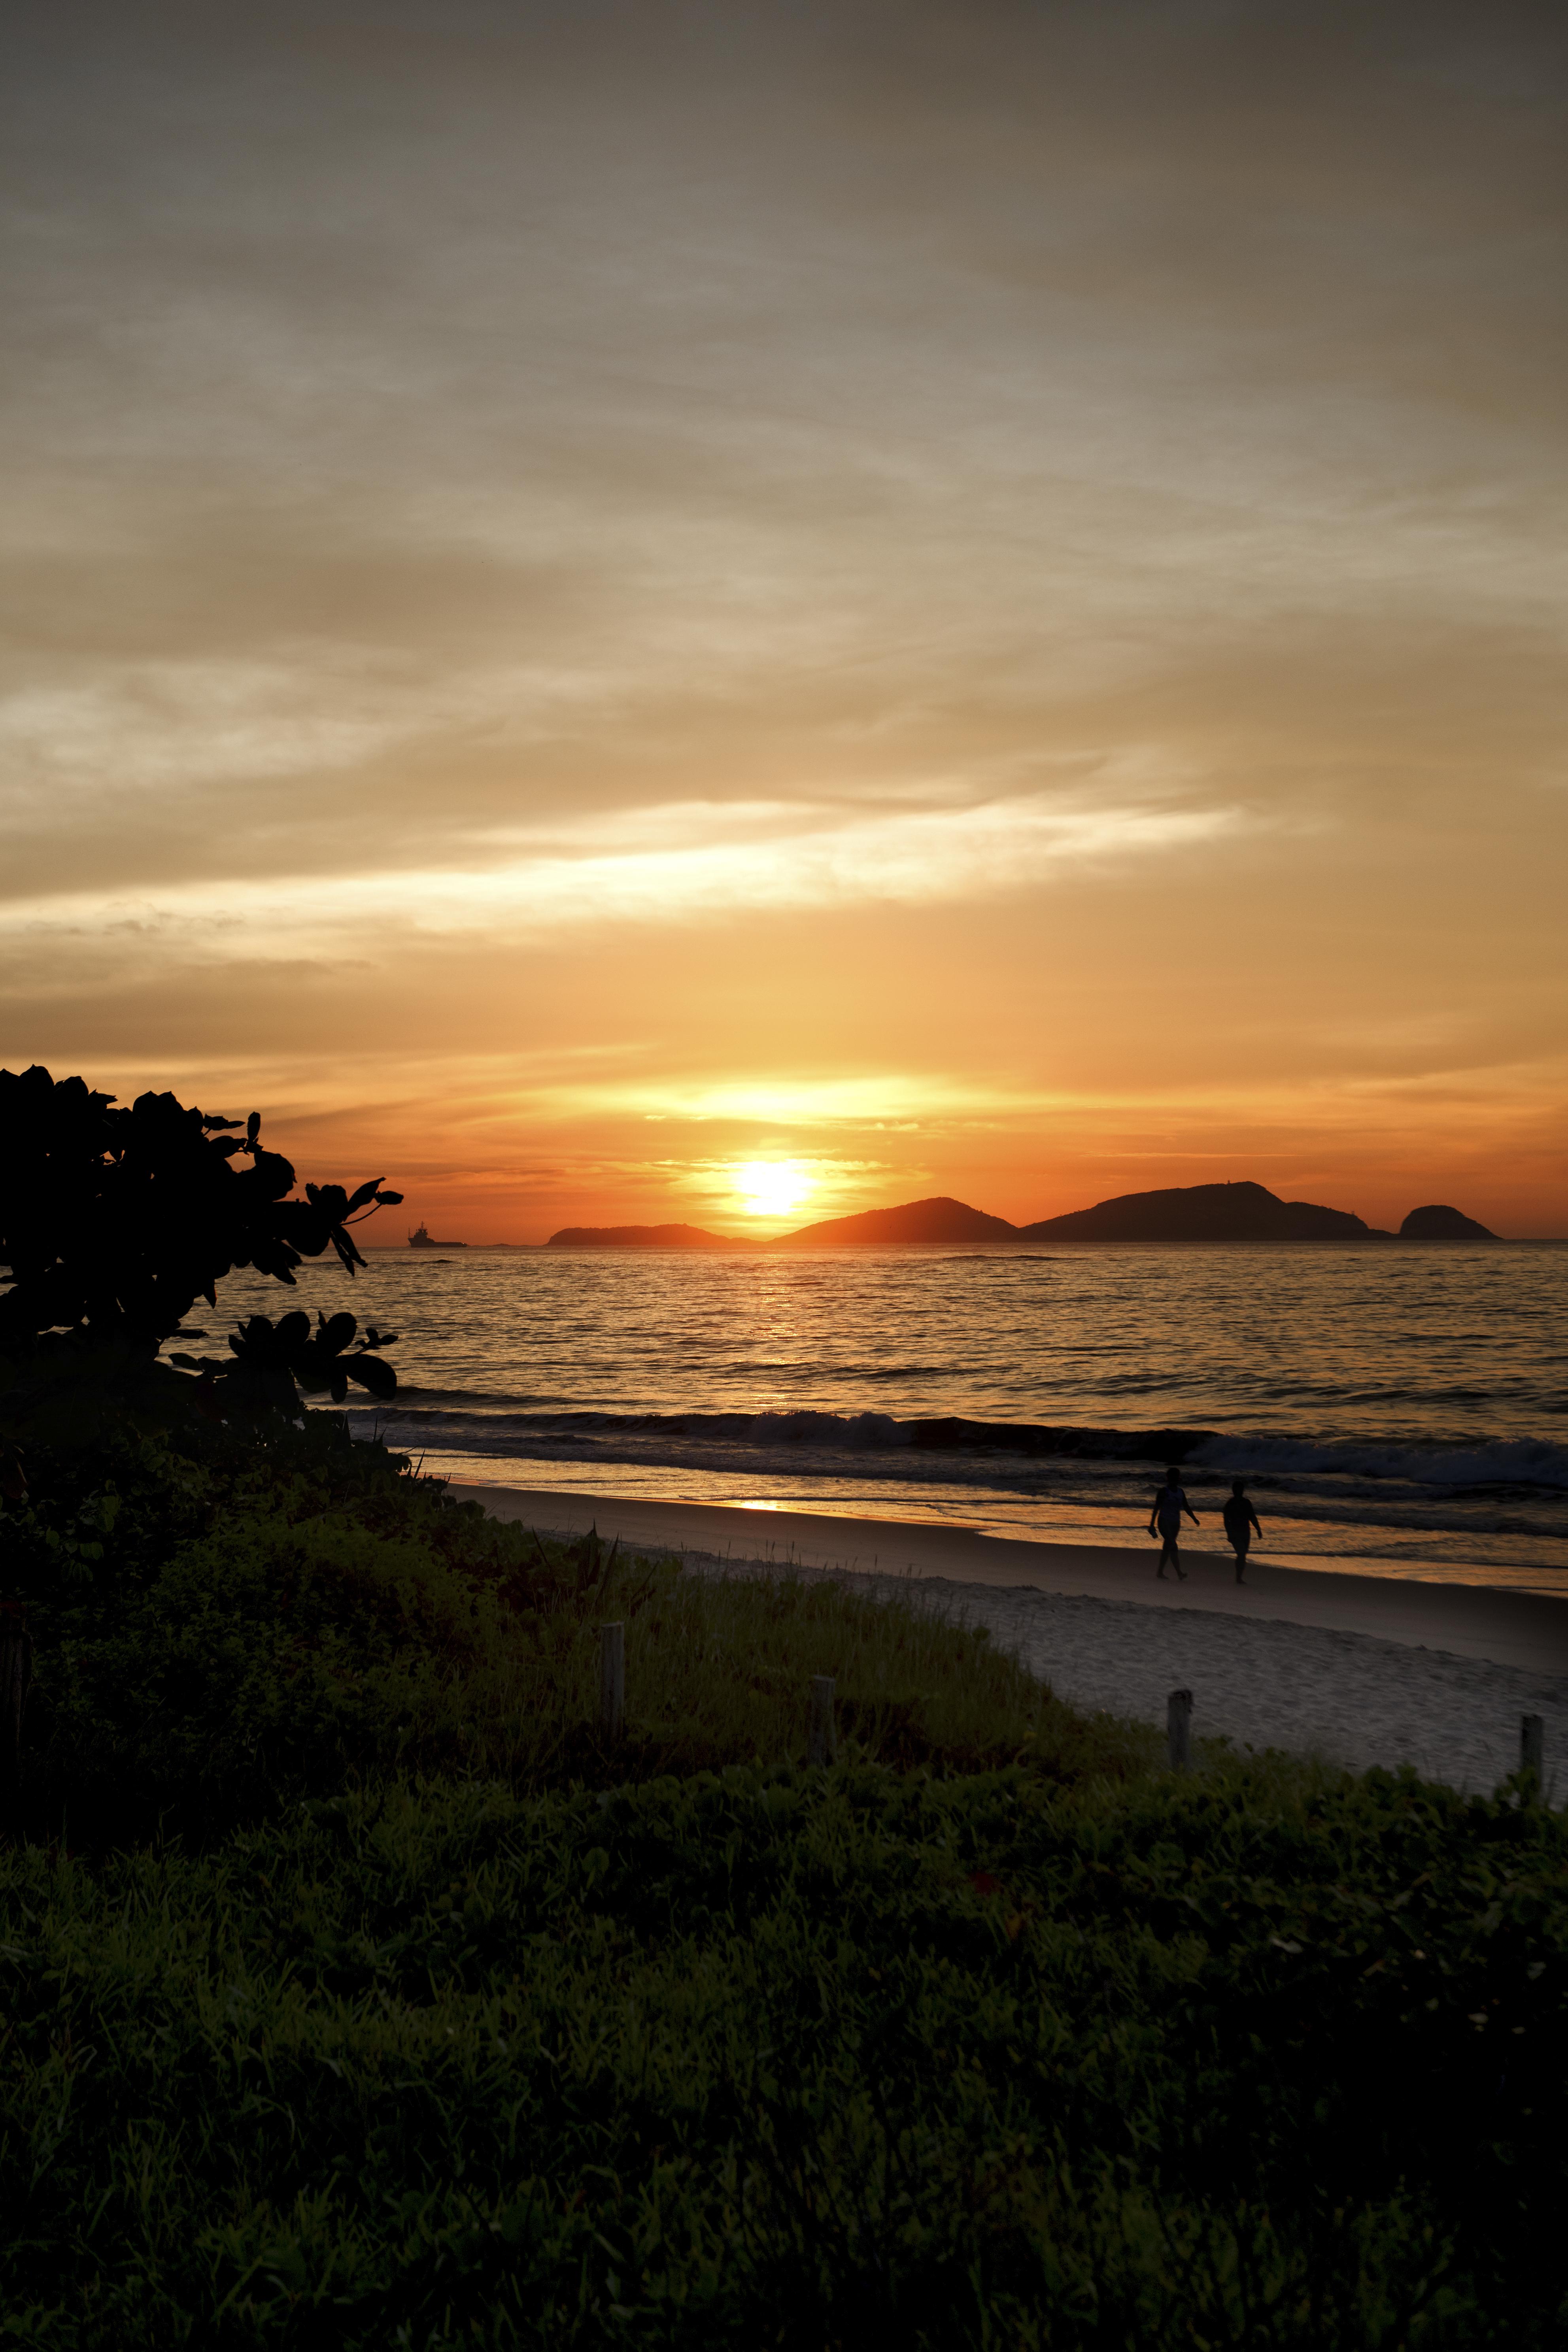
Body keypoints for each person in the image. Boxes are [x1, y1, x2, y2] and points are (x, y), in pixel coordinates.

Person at [1148, 1466, 1199, 1581]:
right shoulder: (1164, 1492)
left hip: (1176, 1523)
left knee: (1168, 1546)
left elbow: (1186, 1506)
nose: (1175, 1479)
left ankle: (1160, 1572)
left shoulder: (1181, 1492)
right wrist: (1151, 1525)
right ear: (1168, 1478)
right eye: (1173, 1477)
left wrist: (1194, 1518)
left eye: (1177, 1477)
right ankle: (1179, 1573)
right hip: (1164, 1521)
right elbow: (1156, 1508)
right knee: (1173, 1544)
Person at [1222, 1479, 1262, 1583]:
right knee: (1241, 1554)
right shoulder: (1230, 1504)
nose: (1239, 1491)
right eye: (1237, 1489)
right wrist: (1229, 1533)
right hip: (1235, 1533)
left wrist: (1258, 1529)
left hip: (1246, 1532)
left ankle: (1239, 1576)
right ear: (1234, 1491)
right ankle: (1238, 1577)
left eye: (1240, 1489)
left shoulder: (1247, 1503)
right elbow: (1226, 1520)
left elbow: (1252, 1517)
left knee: (1243, 1555)